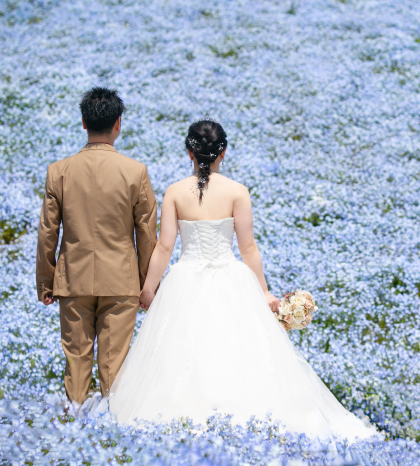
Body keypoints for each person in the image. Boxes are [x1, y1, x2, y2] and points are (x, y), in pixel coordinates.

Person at [107, 120, 379, 443]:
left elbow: (164, 246)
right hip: (229, 277)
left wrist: (149, 288)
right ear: (223, 152)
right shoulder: (237, 191)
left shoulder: (175, 192)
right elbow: (248, 248)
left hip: (185, 280)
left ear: (189, 152)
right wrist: (263, 291)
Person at [35, 87, 157, 411]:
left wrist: (46, 282)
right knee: (114, 361)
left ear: (83, 123)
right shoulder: (135, 172)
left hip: (73, 278)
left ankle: (73, 430)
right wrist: (148, 285)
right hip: (121, 279)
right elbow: (146, 234)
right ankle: (111, 436)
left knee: (76, 357)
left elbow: (48, 232)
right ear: (118, 124)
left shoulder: (58, 171)